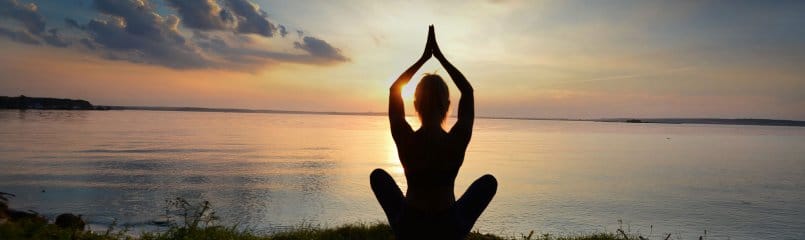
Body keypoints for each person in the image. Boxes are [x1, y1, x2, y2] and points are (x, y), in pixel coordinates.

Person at [370, 25, 498, 239]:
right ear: (448, 105)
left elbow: (394, 90)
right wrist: (439, 57)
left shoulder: (406, 139)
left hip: (410, 226)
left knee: (377, 177)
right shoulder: (457, 140)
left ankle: (402, 228)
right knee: (489, 182)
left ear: (416, 104)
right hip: (449, 227)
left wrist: (423, 58)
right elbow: (467, 91)